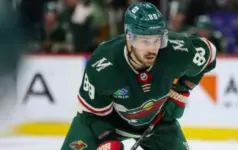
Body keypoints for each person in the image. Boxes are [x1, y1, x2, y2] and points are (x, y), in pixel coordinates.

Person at [61, 2, 216, 150]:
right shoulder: (104, 64)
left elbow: (210, 54)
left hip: (155, 122)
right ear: (129, 37)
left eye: (157, 40)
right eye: (145, 41)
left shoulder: (175, 50)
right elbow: (92, 114)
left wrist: (183, 87)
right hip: (108, 122)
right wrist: (107, 139)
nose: (152, 49)